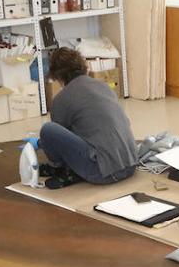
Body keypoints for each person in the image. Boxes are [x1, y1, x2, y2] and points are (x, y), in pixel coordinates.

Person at [38, 46, 138, 189]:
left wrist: (40, 143)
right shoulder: (104, 87)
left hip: (103, 172)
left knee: (48, 130)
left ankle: (62, 170)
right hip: (131, 163)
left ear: (57, 76)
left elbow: (58, 141)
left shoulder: (61, 99)